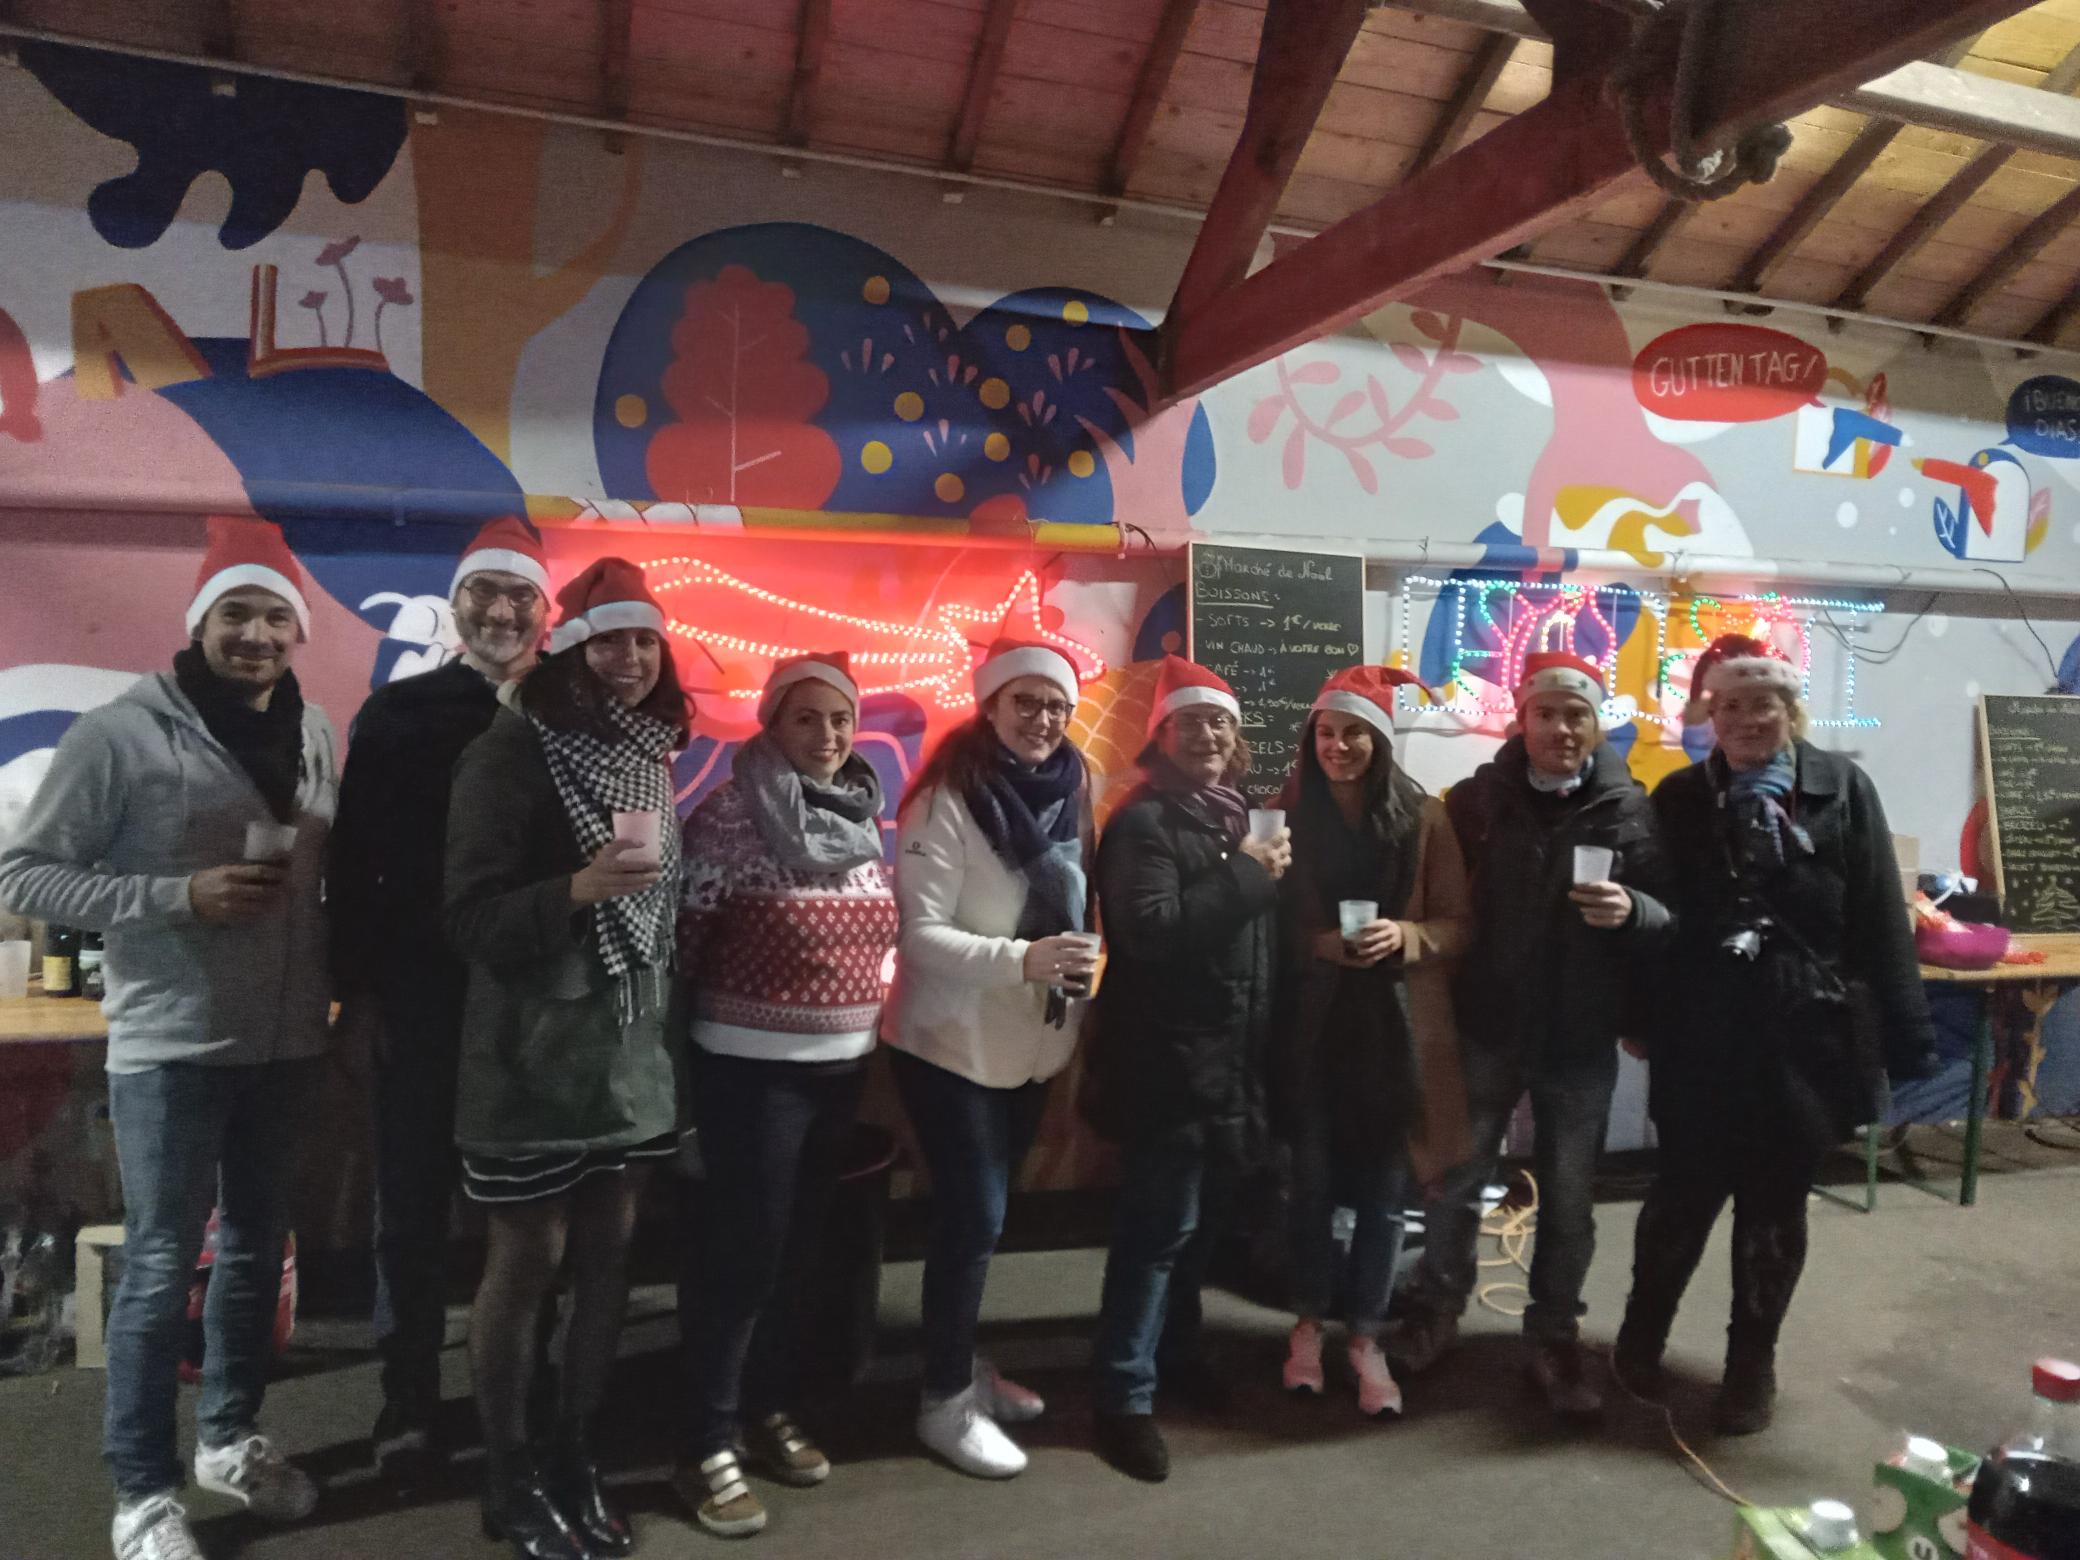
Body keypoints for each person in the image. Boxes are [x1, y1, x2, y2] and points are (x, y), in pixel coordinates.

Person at [0, 518, 336, 1560]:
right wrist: (175, 895)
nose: (255, 634)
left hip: (285, 1040)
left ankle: (228, 1440)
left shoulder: (316, 730)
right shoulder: (121, 734)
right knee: (157, 1265)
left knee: (256, 1250)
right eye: (235, 613)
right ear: (199, 623)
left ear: (298, 631)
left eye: (274, 616)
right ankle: (141, 1493)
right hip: (173, 1046)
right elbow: (23, 874)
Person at [1611, 635, 1937, 1435]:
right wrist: (1639, 1017)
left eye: (1763, 704)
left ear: (1790, 710)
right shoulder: (1681, 796)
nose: (1747, 719)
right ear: (1710, 716)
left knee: (1773, 1208)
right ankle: (1639, 1342)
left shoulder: (1843, 789)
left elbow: (1878, 918)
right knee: (1680, 1198)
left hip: (1803, 1036)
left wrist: (1906, 1040)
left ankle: (1750, 1367)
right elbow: (1659, 917)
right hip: (1702, 1033)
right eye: (1731, 706)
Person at [445, 558, 688, 1559]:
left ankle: (575, 1453)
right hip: (530, 1058)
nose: (629, 659)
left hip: (628, 1053)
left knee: (607, 1257)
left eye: (644, 640)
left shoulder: (650, 753)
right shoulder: (509, 752)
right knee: (528, 1261)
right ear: (572, 650)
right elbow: (467, 917)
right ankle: (509, 1474)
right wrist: (575, 891)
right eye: (608, 640)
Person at [1386, 651, 1666, 1422]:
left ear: (1596, 724)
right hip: (1487, 1024)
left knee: (1569, 1199)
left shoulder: (1631, 811)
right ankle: (1435, 1311)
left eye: (1577, 715)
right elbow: (1440, 896)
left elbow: (1669, 918)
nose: (1561, 729)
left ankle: (1553, 1336)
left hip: (1578, 1037)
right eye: (1546, 714)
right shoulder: (1475, 803)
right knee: (1456, 1180)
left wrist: (1636, 913)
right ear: (1521, 720)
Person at [327, 515, 550, 1480]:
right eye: (483, 593)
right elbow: (355, 867)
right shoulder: (397, 715)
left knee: (532, 1214)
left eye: (521, 595)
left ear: (546, 612)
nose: (501, 612)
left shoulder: (571, 712)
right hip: (420, 999)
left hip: (538, 1009)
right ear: (453, 606)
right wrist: (359, 996)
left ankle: (525, 1388)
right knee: (411, 1207)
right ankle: (408, 1398)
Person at [671, 653, 899, 1538]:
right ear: (771, 723)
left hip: (840, 1068)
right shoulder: (729, 817)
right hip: (750, 1074)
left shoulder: (859, 815)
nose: (828, 735)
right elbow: (686, 949)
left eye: (840, 719)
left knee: (801, 1256)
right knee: (744, 1260)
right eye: (806, 718)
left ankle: (764, 1407)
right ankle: (703, 1440)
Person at [880, 638, 1098, 1479]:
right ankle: (942, 1401)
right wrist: (1024, 960)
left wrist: (1079, 962)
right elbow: (920, 936)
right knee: (973, 1220)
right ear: (991, 706)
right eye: (1025, 702)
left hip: (1032, 1041)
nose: (1042, 719)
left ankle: (960, 1363)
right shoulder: (945, 798)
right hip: (950, 1043)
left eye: (1056, 705)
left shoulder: (1074, 787)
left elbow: (1079, 898)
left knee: (985, 1221)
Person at [1085, 657, 1290, 1483]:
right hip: (1167, 1063)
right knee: (1156, 1233)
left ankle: (1175, 1355)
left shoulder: (1237, 816)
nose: (1207, 735)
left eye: (1220, 723)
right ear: (1161, 736)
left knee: (1202, 1229)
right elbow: (1151, 932)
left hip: (1231, 1062)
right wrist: (1248, 875)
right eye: (1191, 722)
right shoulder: (1143, 824)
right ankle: (1122, 1397)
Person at [1273, 664, 1471, 1421]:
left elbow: (1459, 922)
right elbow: (1263, 923)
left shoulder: (1426, 819)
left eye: (1354, 733)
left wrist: (1408, 936)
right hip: (1314, 1033)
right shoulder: (1285, 816)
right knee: (1311, 1189)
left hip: (1396, 1037)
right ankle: (1305, 1325)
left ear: (1381, 741)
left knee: (1387, 1201)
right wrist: (1316, 944)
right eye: (1325, 732)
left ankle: (1364, 1336)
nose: (1338, 746)